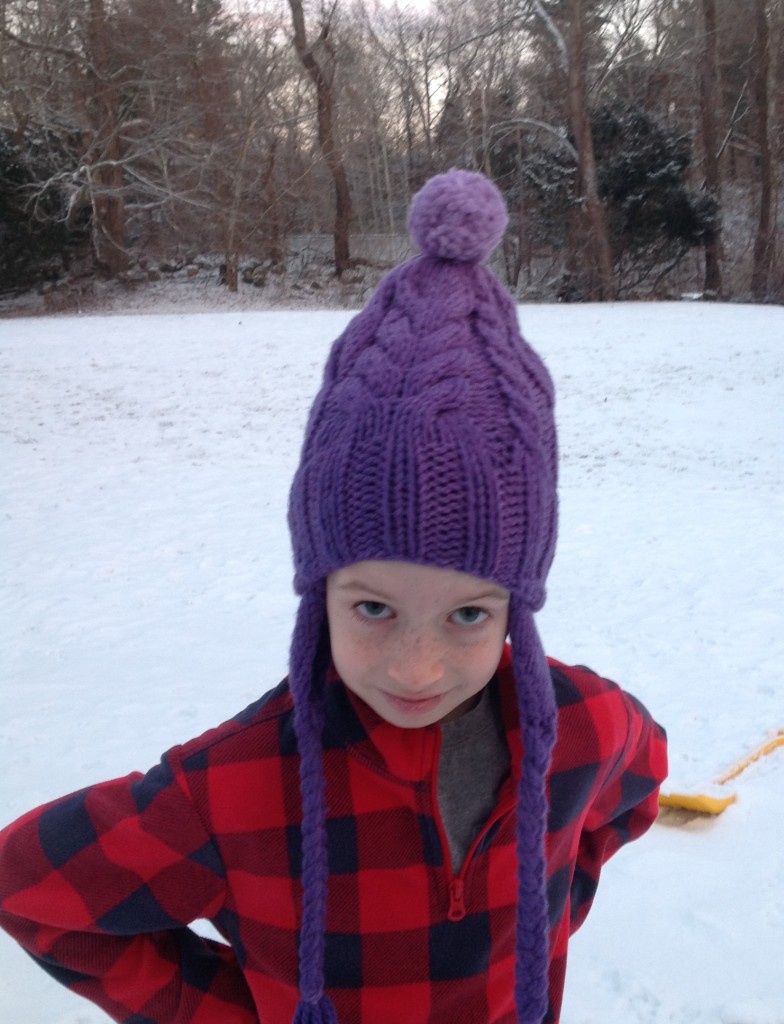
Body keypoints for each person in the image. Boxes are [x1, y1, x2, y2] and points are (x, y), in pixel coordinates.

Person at [0, 169, 668, 1024]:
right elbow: (31, 890)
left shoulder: (587, 725)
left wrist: (541, 916)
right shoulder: (234, 787)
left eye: (470, 614)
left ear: (517, 603)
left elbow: (639, 782)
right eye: (372, 608)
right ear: (319, 589)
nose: (417, 666)